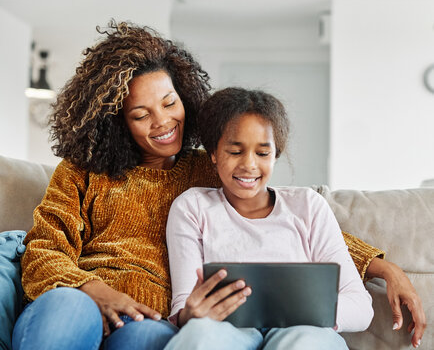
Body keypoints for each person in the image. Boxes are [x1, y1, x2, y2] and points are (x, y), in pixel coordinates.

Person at [11, 21, 425, 349]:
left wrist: (383, 267)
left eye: (169, 102)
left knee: (150, 338)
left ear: (185, 97)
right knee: (69, 311)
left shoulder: (210, 170)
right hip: (80, 298)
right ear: (117, 121)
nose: (163, 121)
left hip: (147, 322)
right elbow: (45, 249)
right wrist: (96, 291)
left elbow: (288, 224)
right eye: (141, 114)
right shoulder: (81, 171)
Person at [164, 87, 374, 349]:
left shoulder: (308, 206)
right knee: (200, 337)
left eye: (262, 153)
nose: (249, 165)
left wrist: (306, 310)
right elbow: (184, 304)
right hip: (226, 331)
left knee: (307, 343)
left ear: (275, 155)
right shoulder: (192, 207)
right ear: (214, 154)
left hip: (300, 329)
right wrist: (189, 315)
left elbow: (361, 307)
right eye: (235, 151)